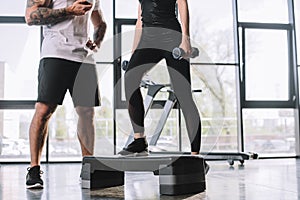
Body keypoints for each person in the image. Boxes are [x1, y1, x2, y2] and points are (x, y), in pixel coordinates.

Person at [24, 0, 107, 189]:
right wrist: (70, 10)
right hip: (55, 52)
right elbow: (30, 17)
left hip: (83, 57)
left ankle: (89, 165)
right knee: (44, 110)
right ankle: (34, 168)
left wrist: (97, 41)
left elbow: (100, 22)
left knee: (87, 113)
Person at [118, 0, 204, 157]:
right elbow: (140, 18)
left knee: (183, 93)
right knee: (130, 77)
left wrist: (185, 39)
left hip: (172, 37)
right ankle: (139, 140)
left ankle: (195, 154)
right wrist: (134, 54)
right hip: (148, 38)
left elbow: (182, 3)